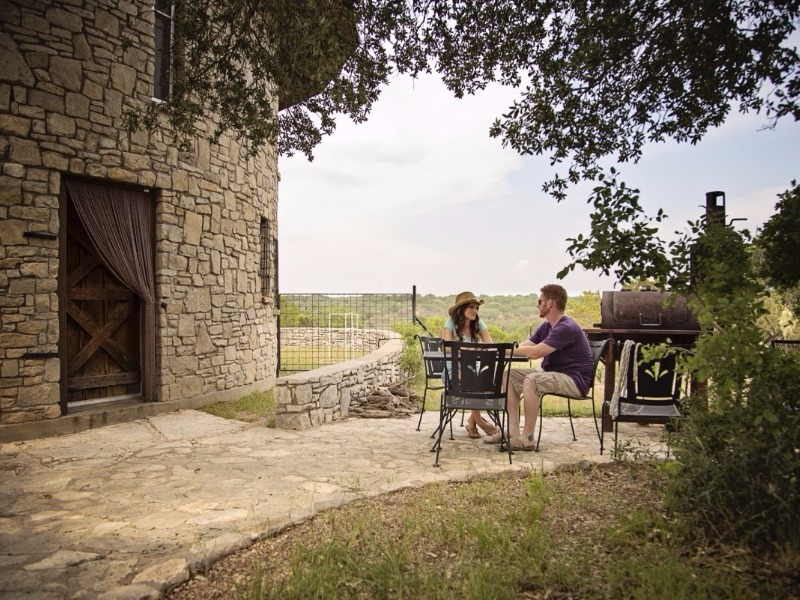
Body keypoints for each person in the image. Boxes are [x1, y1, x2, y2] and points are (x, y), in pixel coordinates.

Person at [485, 284, 593, 451]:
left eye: (539, 301)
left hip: (574, 380)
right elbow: (524, 346)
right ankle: (513, 432)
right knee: (508, 376)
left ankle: (527, 439)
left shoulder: (566, 327)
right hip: (554, 373)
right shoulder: (547, 326)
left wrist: (503, 349)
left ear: (550, 303)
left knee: (532, 380)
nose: (537, 304)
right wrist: (497, 348)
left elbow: (535, 353)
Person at [442, 291, 501, 439]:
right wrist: (468, 349)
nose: (475, 311)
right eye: (471, 307)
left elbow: (490, 346)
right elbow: (445, 347)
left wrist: (478, 349)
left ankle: (471, 422)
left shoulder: (479, 324)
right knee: (473, 383)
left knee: (482, 382)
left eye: (476, 308)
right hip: (453, 371)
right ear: (461, 309)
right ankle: (480, 422)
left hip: (473, 370)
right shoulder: (450, 323)